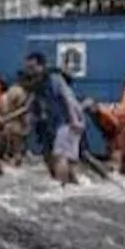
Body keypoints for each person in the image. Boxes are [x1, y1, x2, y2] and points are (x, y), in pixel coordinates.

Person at [25, 52, 86, 184]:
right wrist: (6, 119)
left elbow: (67, 98)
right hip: (55, 124)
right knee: (55, 158)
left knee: (60, 156)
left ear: (41, 66)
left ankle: (61, 189)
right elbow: (28, 107)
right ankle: (74, 186)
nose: (30, 71)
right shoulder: (37, 84)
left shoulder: (54, 78)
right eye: (28, 68)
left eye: (33, 67)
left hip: (67, 121)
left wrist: (74, 120)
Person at [0, 72, 33, 165]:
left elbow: (4, 106)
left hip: (10, 122)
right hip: (15, 122)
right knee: (16, 148)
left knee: (11, 148)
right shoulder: (20, 91)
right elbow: (23, 110)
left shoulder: (11, 91)